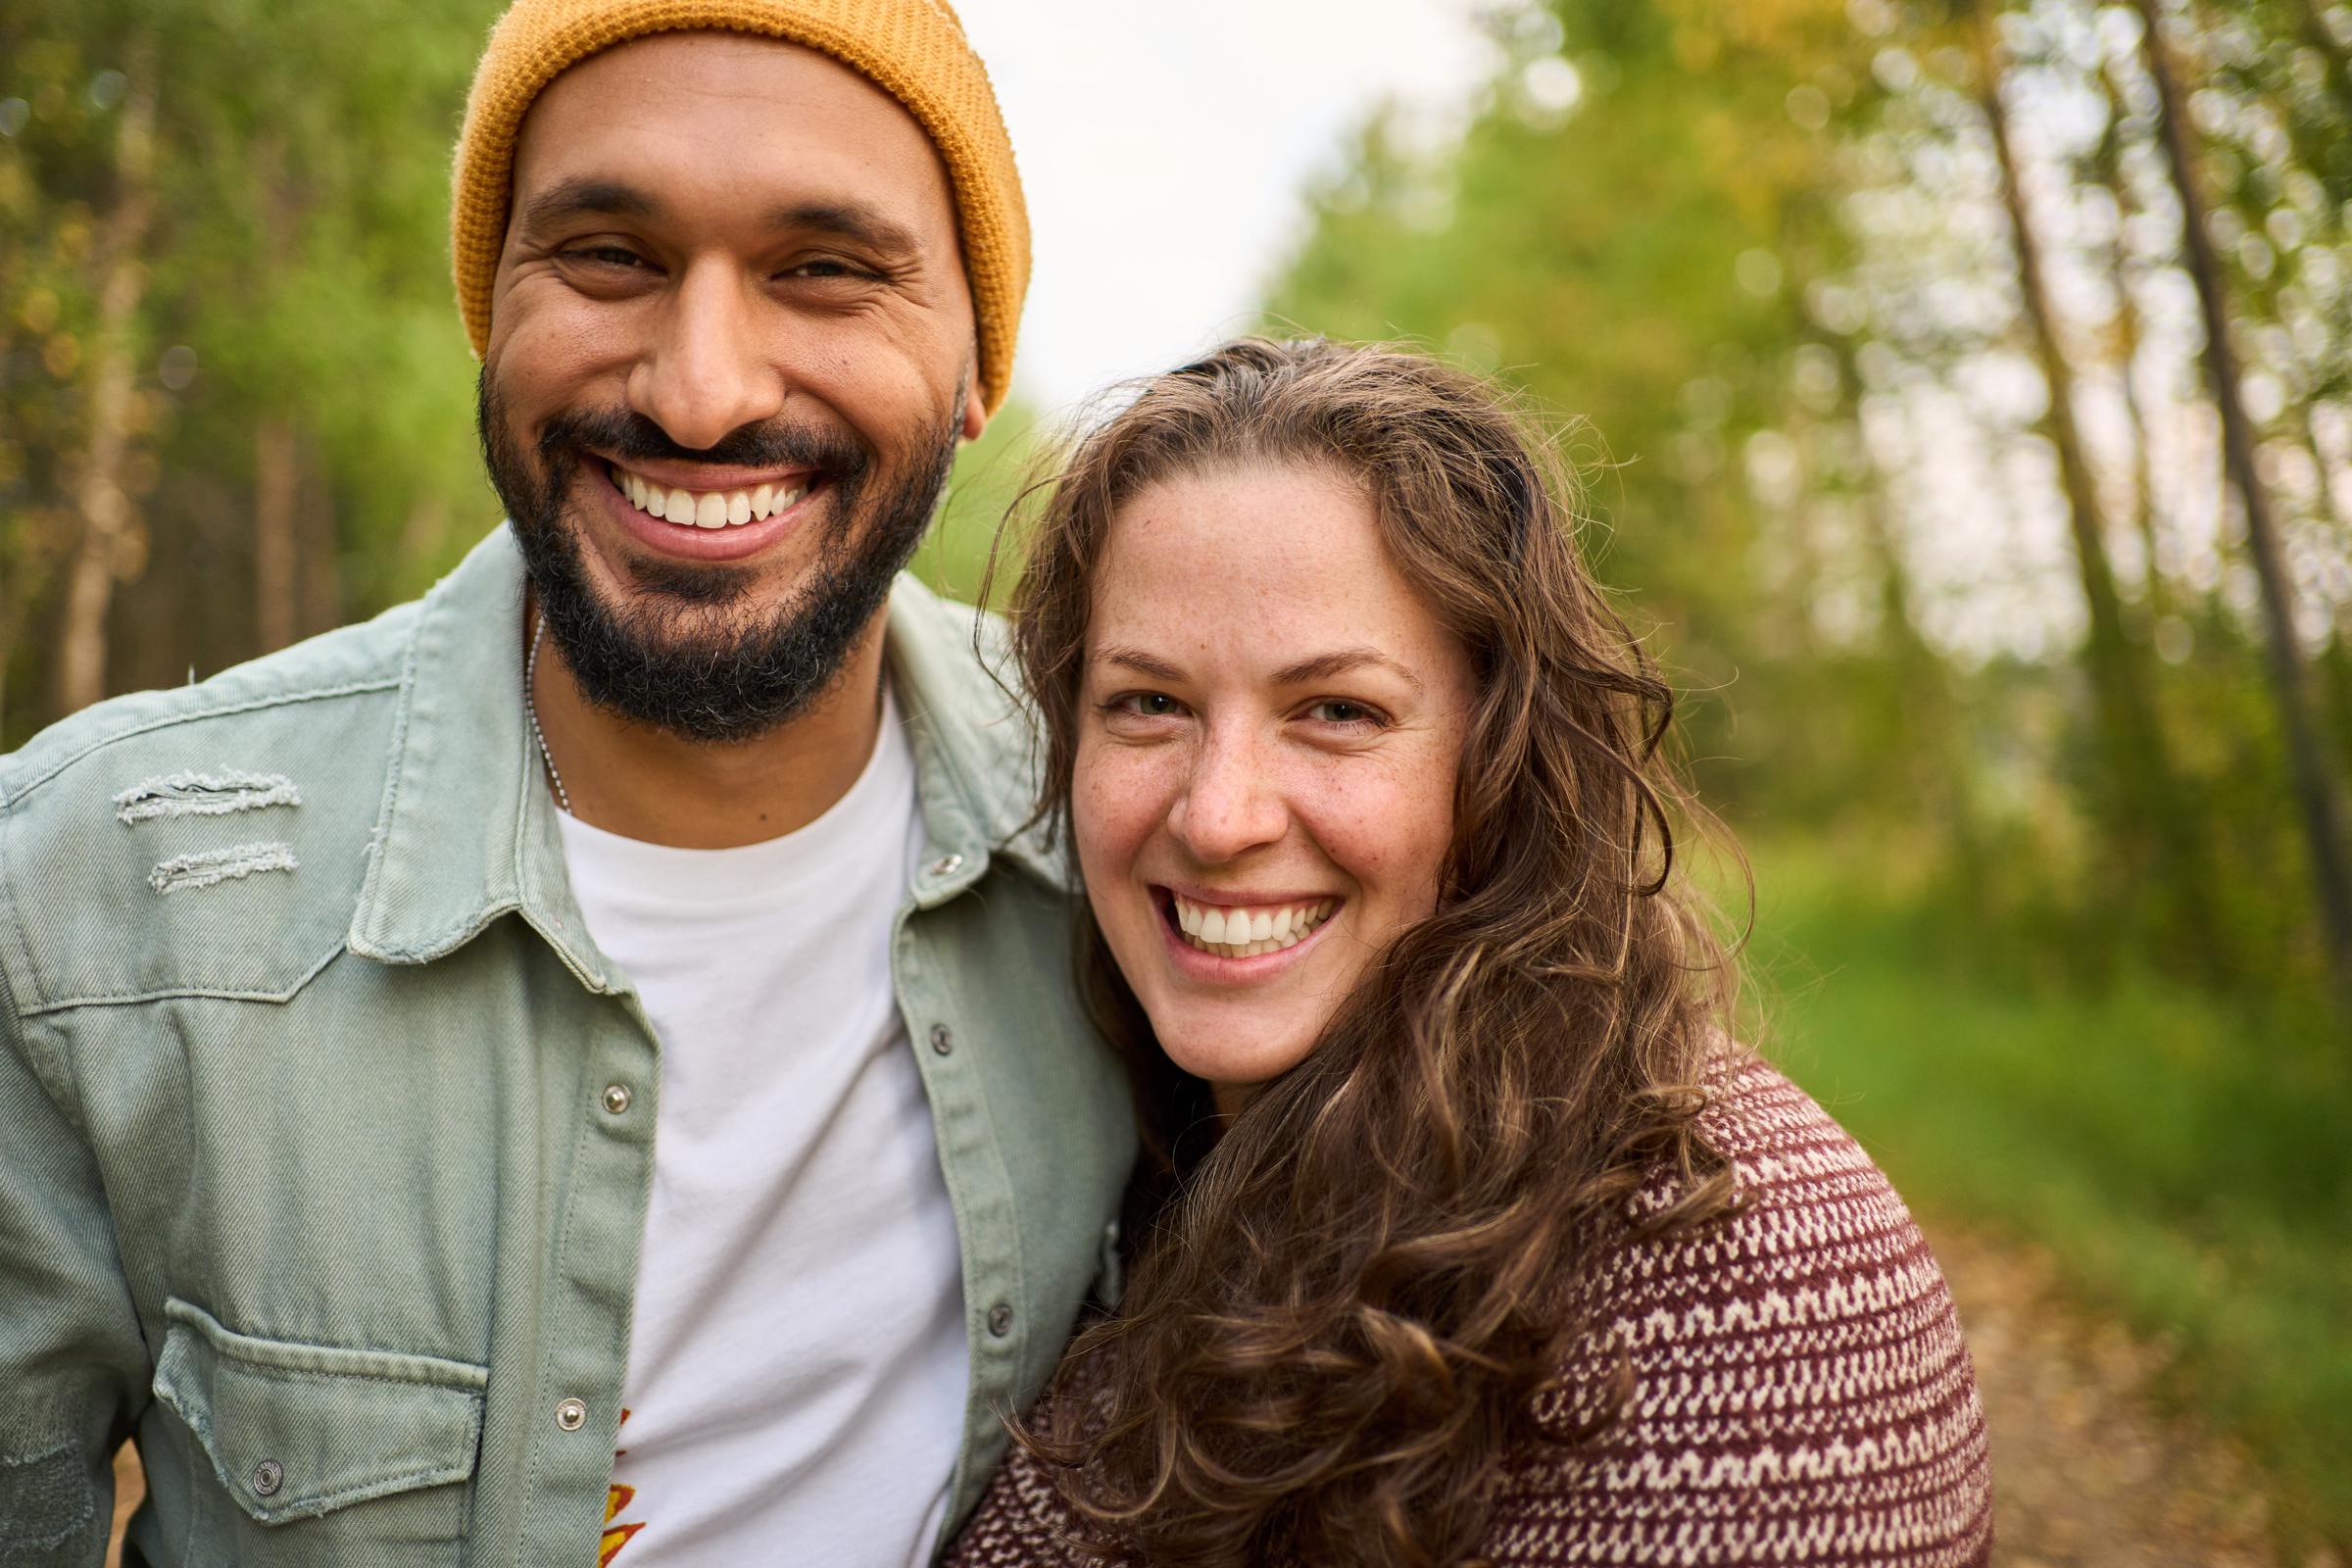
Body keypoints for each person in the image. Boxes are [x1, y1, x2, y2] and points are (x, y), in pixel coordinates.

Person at [0, 4, 1135, 1565]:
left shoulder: (1142, 833)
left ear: (972, 370)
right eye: (608, 255)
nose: (700, 391)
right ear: (491, 316)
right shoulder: (86, 892)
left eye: (825, 271)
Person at [947, 339, 1994, 1567]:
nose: (1218, 816)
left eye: (1337, 711)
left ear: (1503, 759)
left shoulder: (1745, 1301)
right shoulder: (1096, 1143)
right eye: (1148, 704)